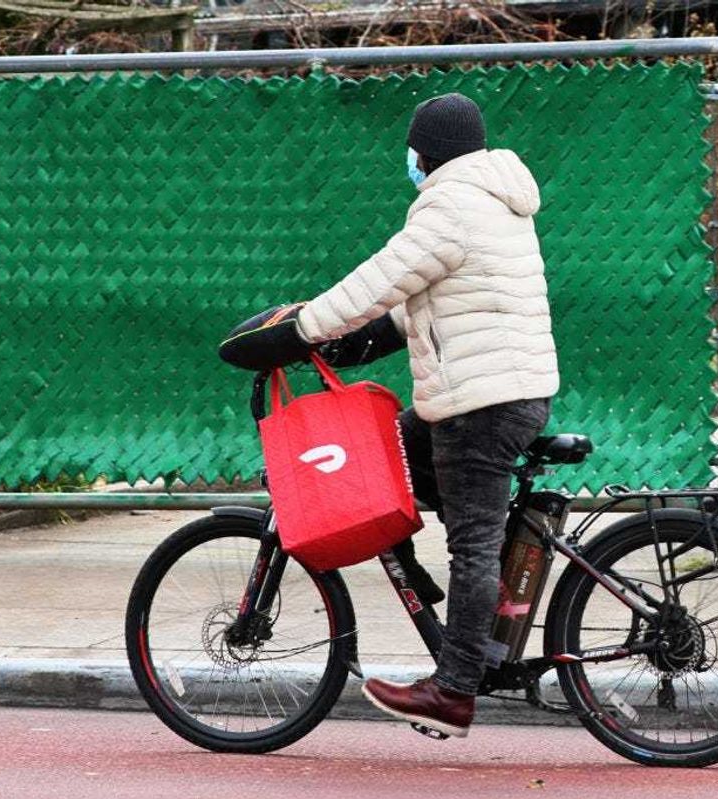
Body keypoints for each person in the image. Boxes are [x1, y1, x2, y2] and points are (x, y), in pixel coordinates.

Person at [228, 93, 560, 739]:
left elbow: (381, 278)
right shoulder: (494, 197)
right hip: (501, 389)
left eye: (413, 151)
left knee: (473, 543)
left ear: (424, 151)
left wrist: (303, 330)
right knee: (387, 456)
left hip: (481, 402)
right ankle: (460, 615)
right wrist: (370, 338)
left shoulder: (450, 202)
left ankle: (454, 689)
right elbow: (440, 296)